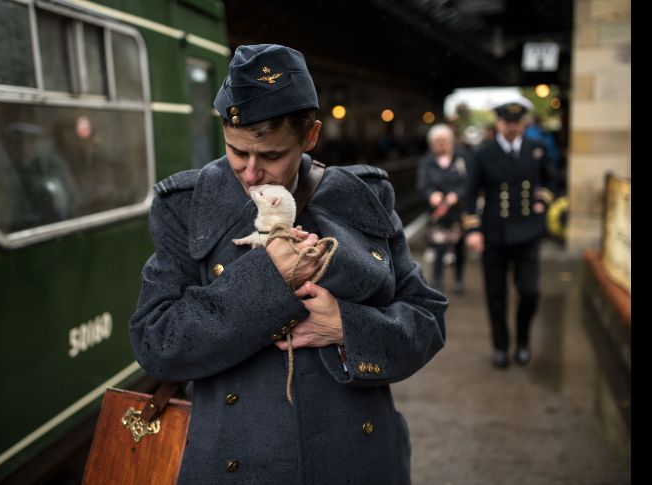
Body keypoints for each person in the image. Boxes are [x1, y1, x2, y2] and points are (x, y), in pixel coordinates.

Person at [129, 44, 447, 484]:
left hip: (354, 460)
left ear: (310, 137)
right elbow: (155, 344)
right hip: (237, 464)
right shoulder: (185, 206)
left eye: (272, 156)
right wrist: (267, 280)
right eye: (237, 152)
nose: (251, 173)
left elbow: (427, 320)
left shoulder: (364, 195)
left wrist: (345, 327)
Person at [462, 97, 556, 369]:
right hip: (495, 234)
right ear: (499, 123)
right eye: (507, 122)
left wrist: (543, 201)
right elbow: (470, 193)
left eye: (517, 122)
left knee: (530, 292)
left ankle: (523, 341)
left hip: (527, 232)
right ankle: (501, 347)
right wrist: (473, 230)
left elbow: (551, 179)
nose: (512, 127)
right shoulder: (483, 154)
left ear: (523, 124)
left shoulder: (536, 149)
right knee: (496, 295)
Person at [416, 123, 471, 294]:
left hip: (458, 212)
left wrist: (457, 195)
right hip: (438, 214)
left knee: (459, 248)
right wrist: (431, 194)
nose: (440, 145)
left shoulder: (463, 158)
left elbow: (470, 182)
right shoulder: (427, 161)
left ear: (451, 141)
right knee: (438, 248)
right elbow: (422, 184)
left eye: (444, 141)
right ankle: (437, 281)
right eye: (437, 142)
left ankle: (458, 279)